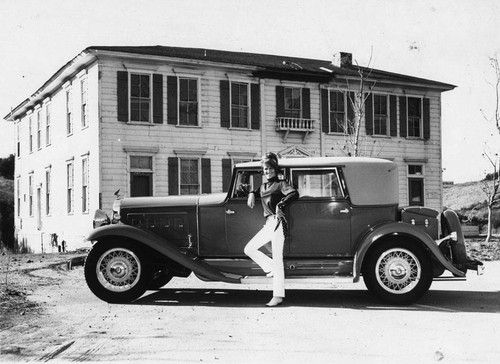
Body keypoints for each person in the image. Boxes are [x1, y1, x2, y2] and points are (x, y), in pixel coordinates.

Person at [243, 152, 299, 307]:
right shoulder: (262, 187)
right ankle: (271, 268)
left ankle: (278, 296)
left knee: (277, 258)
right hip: (268, 224)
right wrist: (251, 194)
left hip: (277, 222)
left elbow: (294, 193)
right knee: (249, 249)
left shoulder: (280, 184)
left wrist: (281, 204)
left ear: (275, 169)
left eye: (269, 168)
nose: (267, 171)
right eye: (265, 169)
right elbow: (256, 192)